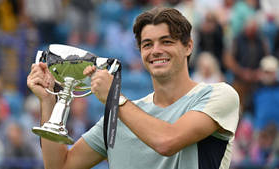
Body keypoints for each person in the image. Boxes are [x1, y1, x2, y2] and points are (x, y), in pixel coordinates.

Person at [27, 7, 240, 169]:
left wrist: (115, 99)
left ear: (188, 46)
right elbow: (60, 165)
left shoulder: (219, 95)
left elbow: (167, 142)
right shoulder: (118, 114)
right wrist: (48, 101)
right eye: (147, 45)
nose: (156, 50)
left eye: (166, 42)